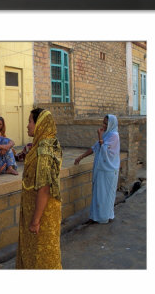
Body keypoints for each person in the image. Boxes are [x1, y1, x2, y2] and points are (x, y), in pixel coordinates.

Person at [16, 108, 63, 269]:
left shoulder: (43, 150)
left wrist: (35, 221)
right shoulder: (48, 144)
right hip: (42, 209)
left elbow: (44, 187)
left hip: (42, 213)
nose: (28, 125)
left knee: (41, 254)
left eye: (30, 121)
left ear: (40, 124)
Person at [74, 114, 120, 224]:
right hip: (101, 170)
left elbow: (105, 149)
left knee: (106, 196)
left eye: (106, 123)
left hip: (108, 170)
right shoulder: (106, 135)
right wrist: (81, 157)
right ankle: (95, 216)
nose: (103, 125)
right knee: (98, 194)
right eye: (103, 122)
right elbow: (95, 147)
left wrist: (100, 136)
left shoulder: (114, 136)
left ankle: (105, 217)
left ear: (111, 124)